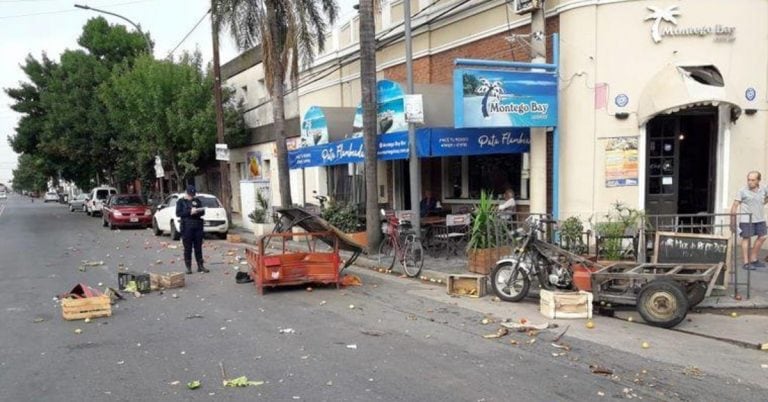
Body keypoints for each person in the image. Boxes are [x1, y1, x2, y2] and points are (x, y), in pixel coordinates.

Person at [730, 171, 768, 270]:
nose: (750, 182)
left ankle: (753, 258)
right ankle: (746, 263)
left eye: (753, 180)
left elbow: (766, 197)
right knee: (746, 238)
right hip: (746, 219)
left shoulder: (763, 189)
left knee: (763, 236)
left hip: (760, 218)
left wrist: (763, 202)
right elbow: (734, 206)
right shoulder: (742, 191)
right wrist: (732, 223)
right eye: (748, 180)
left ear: (758, 180)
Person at [176, 185, 209, 274]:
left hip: (197, 226)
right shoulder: (181, 202)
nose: (191, 196)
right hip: (186, 227)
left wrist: (197, 211)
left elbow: (203, 212)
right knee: (188, 248)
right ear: (186, 193)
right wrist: (189, 212)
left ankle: (200, 266)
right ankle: (189, 267)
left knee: (198, 247)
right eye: (190, 194)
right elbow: (178, 213)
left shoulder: (197, 201)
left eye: (193, 194)